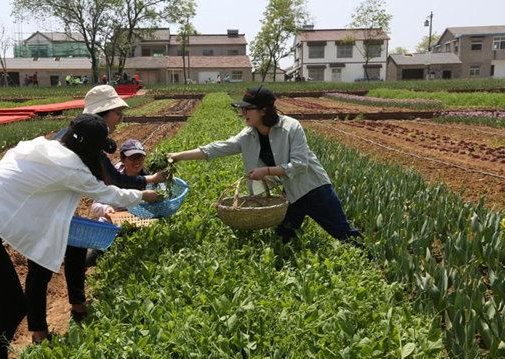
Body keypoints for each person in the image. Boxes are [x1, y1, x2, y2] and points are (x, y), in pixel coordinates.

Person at [0, 113, 160, 358]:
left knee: (3, 302)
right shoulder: (70, 168)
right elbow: (110, 193)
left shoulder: (42, 146)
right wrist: (144, 195)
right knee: (14, 305)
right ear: (89, 148)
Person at [28, 85, 168, 344]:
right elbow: (112, 181)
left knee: (76, 247)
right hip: (45, 206)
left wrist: (148, 179)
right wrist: (147, 186)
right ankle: (39, 332)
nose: (120, 119)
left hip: (62, 204)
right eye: (117, 114)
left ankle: (78, 305)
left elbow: (111, 178)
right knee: (41, 265)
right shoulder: (81, 141)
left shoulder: (88, 138)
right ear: (103, 113)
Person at [168, 86, 362, 247]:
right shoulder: (248, 135)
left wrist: (266, 171)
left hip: (313, 188)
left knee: (343, 234)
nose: (242, 113)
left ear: (263, 110)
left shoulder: (291, 127)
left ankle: (368, 260)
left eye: (247, 109)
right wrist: (178, 156)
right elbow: (217, 148)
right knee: (283, 239)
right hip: (289, 195)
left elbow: (300, 165)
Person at [86, 139, 149, 266]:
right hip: (109, 226)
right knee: (91, 259)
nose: (137, 162)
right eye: (133, 158)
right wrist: (106, 210)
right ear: (123, 159)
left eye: (140, 157)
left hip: (135, 227)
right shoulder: (111, 178)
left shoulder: (149, 179)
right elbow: (95, 205)